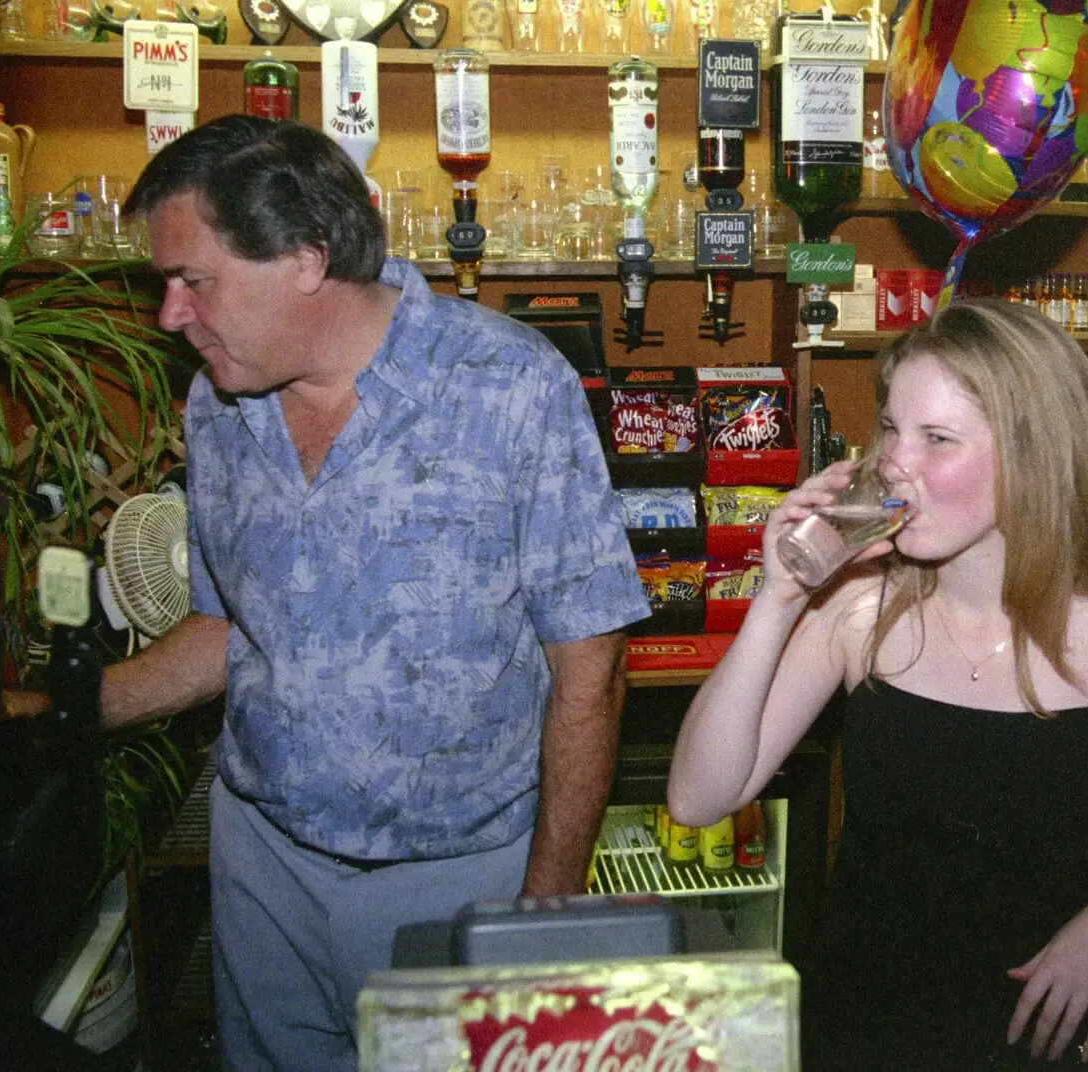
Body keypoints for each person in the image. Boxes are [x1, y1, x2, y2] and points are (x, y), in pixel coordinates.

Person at [111, 116, 651, 1072]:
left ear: (306, 258)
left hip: (454, 882)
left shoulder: (510, 387)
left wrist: (547, 907)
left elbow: (591, 666)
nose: (170, 315)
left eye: (193, 280)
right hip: (261, 866)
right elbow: (227, 627)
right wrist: (68, 708)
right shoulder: (218, 403)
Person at [667, 300, 1088, 1069]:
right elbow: (699, 797)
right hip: (867, 1013)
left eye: (938, 439)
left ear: (1036, 455)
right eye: (893, 428)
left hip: (1048, 1015)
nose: (896, 462)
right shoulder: (860, 604)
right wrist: (781, 597)